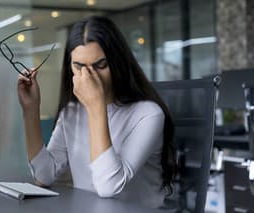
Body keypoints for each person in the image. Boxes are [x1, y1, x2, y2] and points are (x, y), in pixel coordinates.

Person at [17, 16, 175, 208]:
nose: (89, 76)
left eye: (100, 65)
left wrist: (95, 107)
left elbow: (109, 187)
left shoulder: (149, 114)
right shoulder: (72, 112)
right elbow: (44, 176)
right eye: (79, 66)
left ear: (117, 63)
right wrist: (30, 110)